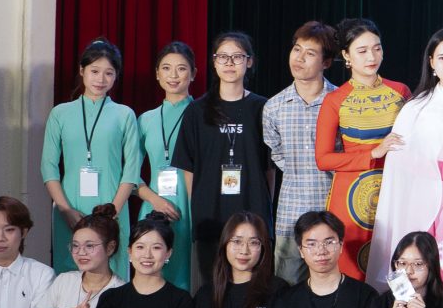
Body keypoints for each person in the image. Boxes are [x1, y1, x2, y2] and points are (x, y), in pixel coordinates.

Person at [371, 27, 443, 282]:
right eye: (442, 57)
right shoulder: (416, 108)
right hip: (424, 198)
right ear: (431, 62)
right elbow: (400, 160)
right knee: (425, 266)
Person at [311, 19, 411, 280]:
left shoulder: (400, 92)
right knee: (352, 268)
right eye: (362, 50)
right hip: (349, 197)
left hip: (394, 189)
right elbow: (323, 159)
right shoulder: (335, 100)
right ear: (346, 55)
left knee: (397, 263)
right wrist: (372, 154)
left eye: (377, 48)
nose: (372, 57)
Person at [175, 31, 273, 288]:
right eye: (223, 57)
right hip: (211, 213)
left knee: (253, 287)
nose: (230, 63)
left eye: (237, 57)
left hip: (252, 210)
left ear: (249, 61)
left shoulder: (263, 108)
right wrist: (198, 207)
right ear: (214, 62)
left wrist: (265, 206)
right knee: (212, 287)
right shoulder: (196, 110)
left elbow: (269, 167)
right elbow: (188, 168)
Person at [41, 38, 140, 279]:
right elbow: (49, 166)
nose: (101, 79)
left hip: (113, 207)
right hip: (69, 207)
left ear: (116, 76)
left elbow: (132, 168)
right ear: (82, 70)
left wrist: (113, 211)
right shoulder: (60, 113)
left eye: (109, 73)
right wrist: (65, 209)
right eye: (95, 71)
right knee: (70, 272)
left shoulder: (124, 114)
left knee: (113, 274)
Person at [263, 22, 336, 283]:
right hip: (290, 213)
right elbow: (277, 154)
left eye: (310, 53)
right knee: (286, 284)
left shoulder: (340, 102)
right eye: (297, 49)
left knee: (333, 282)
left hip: (332, 208)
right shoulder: (274, 107)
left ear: (326, 62)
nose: (299, 58)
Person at [137, 42, 200, 293]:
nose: (173, 75)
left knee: (188, 278)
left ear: (193, 74)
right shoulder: (146, 119)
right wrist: (154, 200)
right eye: (166, 68)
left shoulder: (202, 115)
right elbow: (130, 174)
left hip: (191, 207)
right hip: (153, 207)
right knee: (150, 277)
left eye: (181, 68)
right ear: (157, 74)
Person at [39, 205, 122, 308]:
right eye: (75, 246)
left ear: (110, 248)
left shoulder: (121, 291)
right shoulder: (64, 280)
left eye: (89, 246)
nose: (80, 252)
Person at [196, 211, 279, 308]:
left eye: (253, 243)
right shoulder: (205, 294)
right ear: (224, 244)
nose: (244, 251)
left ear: (263, 248)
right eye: (237, 241)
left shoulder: (277, 289)